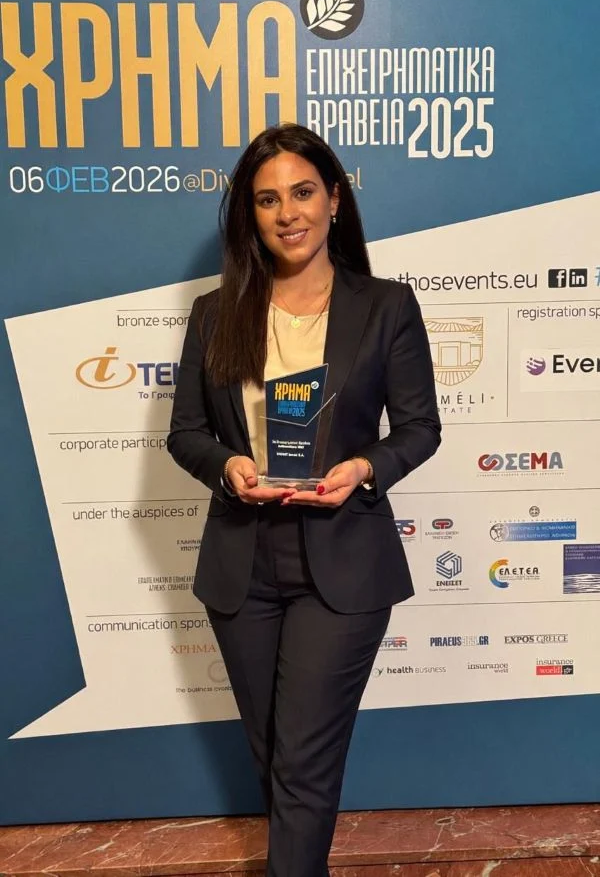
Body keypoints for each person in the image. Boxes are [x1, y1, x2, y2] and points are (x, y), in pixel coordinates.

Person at [167, 123, 441, 877]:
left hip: (342, 558)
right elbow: (185, 434)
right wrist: (228, 466)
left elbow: (419, 428)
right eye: (267, 200)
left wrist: (364, 466)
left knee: (303, 762)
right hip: (242, 562)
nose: (288, 212)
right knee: (277, 759)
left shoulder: (385, 305)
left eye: (302, 192)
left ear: (335, 198)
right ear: (249, 215)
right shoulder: (215, 313)